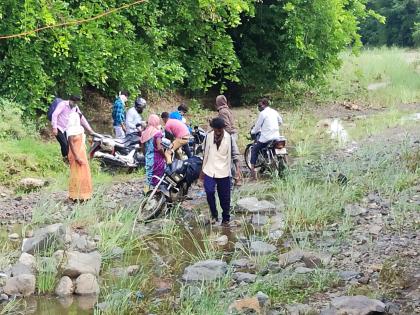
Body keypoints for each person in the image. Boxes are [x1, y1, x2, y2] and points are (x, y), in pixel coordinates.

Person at [200, 117, 241, 226]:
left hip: (224, 171)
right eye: (216, 129)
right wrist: (202, 172)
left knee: (225, 197)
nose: (218, 132)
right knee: (209, 191)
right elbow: (204, 152)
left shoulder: (229, 138)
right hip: (210, 169)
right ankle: (214, 215)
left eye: (220, 129)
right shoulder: (208, 136)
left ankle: (226, 218)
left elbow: (235, 154)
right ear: (213, 128)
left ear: (223, 128)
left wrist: (237, 170)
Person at [51, 95, 93, 161]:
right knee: (64, 144)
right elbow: (54, 115)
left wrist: (90, 130)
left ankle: (66, 158)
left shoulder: (75, 107)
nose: (75, 105)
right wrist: (54, 127)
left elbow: (82, 118)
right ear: (70, 100)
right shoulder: (63, 104)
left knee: (67, 145)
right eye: (74, 103)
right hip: (59, 127)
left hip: (67, 129)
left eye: (76, 103)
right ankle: (66, 159)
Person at [250, 98, 283, 180]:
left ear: (264, 105)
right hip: (276, 136)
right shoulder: (274, 111)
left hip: (266, 138)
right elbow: (280, 121)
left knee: (254, 149)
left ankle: (252, 171)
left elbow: (257, 126)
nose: (258, 108)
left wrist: (252, 132)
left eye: (259, 106)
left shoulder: (263, 113)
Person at [66, 110, 93, 201]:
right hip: (75, 154)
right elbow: (71, 144)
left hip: (82, 153)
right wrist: (77, 157)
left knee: (84, 173)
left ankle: (84, 194)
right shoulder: (70, 130)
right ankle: (75, 195)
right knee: (76, 173)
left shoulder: (80, 128)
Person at [140, 114, 165, 188]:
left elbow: (142, 147)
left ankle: (146, 192)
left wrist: (146, 155)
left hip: (148, 157)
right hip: (156, 158)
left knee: (149, 175)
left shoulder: (144, 133)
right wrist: (164, 156)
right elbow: (159, 147)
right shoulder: (157, 133)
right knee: (157, 175)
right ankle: (156, 191)